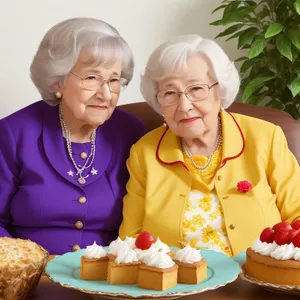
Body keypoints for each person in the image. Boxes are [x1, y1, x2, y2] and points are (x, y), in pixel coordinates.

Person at [119, 34, 300, 256]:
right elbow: (131, 238)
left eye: (196, 89)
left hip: (256, 280)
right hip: (174, 284)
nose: (184, 106)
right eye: (169, 93)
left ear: (220, 91)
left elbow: (297, 217)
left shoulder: (265, 137)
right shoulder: (144, 153)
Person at [0, 18, 145, 255]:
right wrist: (24, 266)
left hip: (110, 281)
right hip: (33, 279)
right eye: (91, 78)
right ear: (58, 80)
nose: (106, 94)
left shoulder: (131, 132)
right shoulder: (14, 133)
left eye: (114, 80)